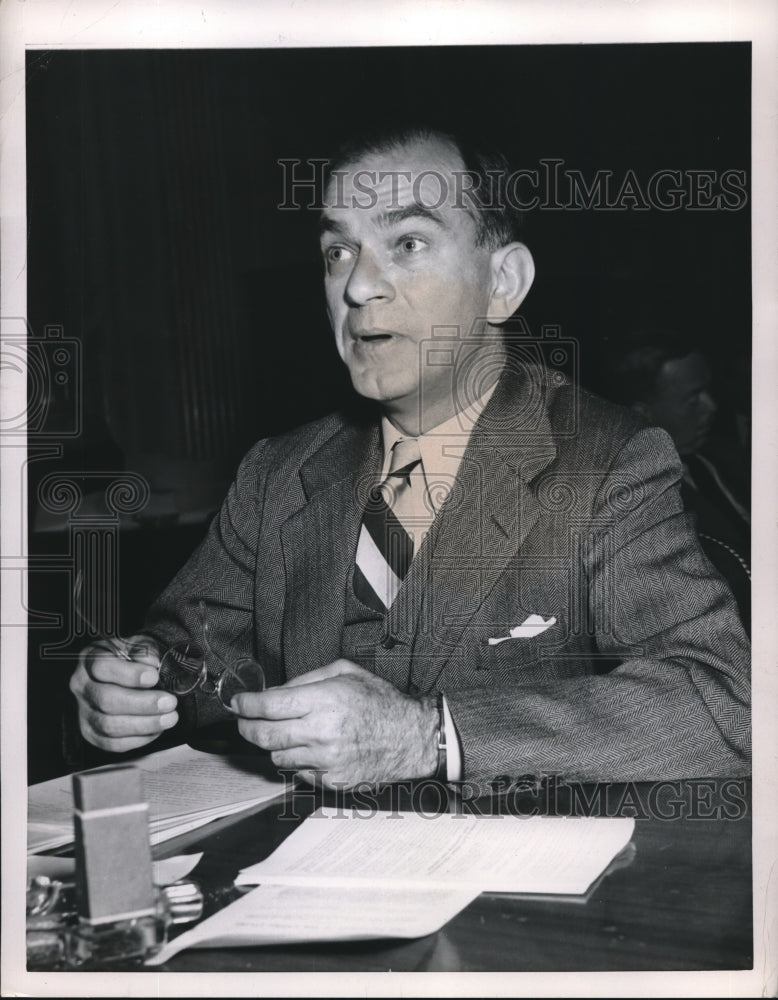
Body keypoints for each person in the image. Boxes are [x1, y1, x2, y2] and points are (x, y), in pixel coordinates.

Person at [69, 127, 750, 790]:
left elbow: (722, 705)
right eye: (339, 251)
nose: (359, 286)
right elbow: (195, 657)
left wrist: (430, 736)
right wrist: (139, 681)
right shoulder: (276, 472)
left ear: (502, 283)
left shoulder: (608, 462)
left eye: (408, 242)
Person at [603, 331, 751, 629]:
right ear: (643, 414)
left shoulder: (722, 460)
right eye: (692, 397)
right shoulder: (633, 507)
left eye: (708, 391)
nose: (711, 405)